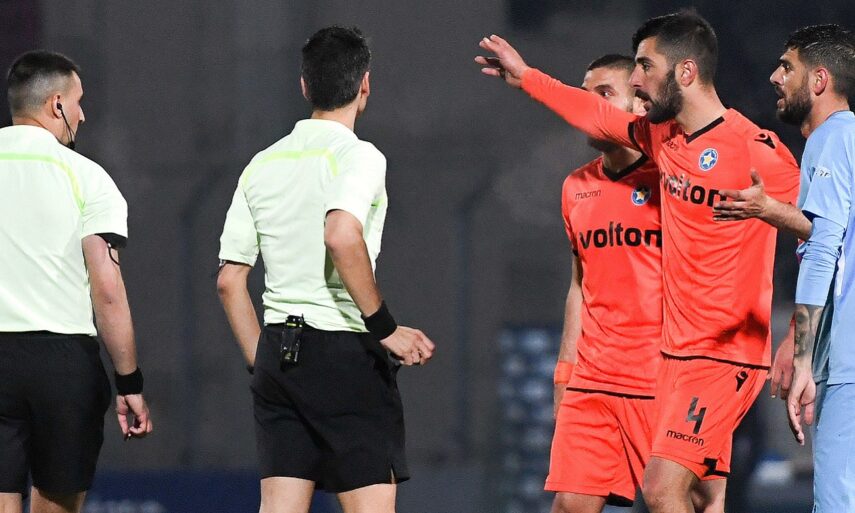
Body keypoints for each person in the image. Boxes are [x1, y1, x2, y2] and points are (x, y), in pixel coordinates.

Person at [476, 10, 800, 513]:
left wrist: (797, 334)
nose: (636, 80)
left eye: (646, 67)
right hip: (672, 358)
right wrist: (527, 78)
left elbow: (829, 233)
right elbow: (597, 116)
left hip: (724, 355)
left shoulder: (755, 149)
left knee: (665, 489)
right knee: (666, 495)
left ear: (685, 72)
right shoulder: (663, 141)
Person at [216, 26, 435, 513]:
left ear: (304, 86)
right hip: (345, 352)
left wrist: (263, 363)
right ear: (365, 84)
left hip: (279, 353)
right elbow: (340, 234)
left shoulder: (261, 164)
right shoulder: (359, 156)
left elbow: (230, 281)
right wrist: (386, 329)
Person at [0, 51, 152, 513]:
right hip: (62, 364)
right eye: (79, 102)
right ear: (57, 104)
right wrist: (129, 382)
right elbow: (107, 289)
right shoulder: (88, 177)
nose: (82, 115)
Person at [549, 54, 662, 513]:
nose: (588, 106)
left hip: (660, 381)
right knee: (570, 504)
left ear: (640, 105)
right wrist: (565, 373)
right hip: (593, 380)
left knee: (683, 501)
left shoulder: (671, 181)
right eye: (584, 95)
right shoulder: (575, 187)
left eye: (604, 94)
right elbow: (579, 285)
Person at [774, 24, 854, 512]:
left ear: (819, 80)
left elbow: (824, 249)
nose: (775, 76)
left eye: (787, 67)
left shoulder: (832, 135)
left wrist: (804, 359)